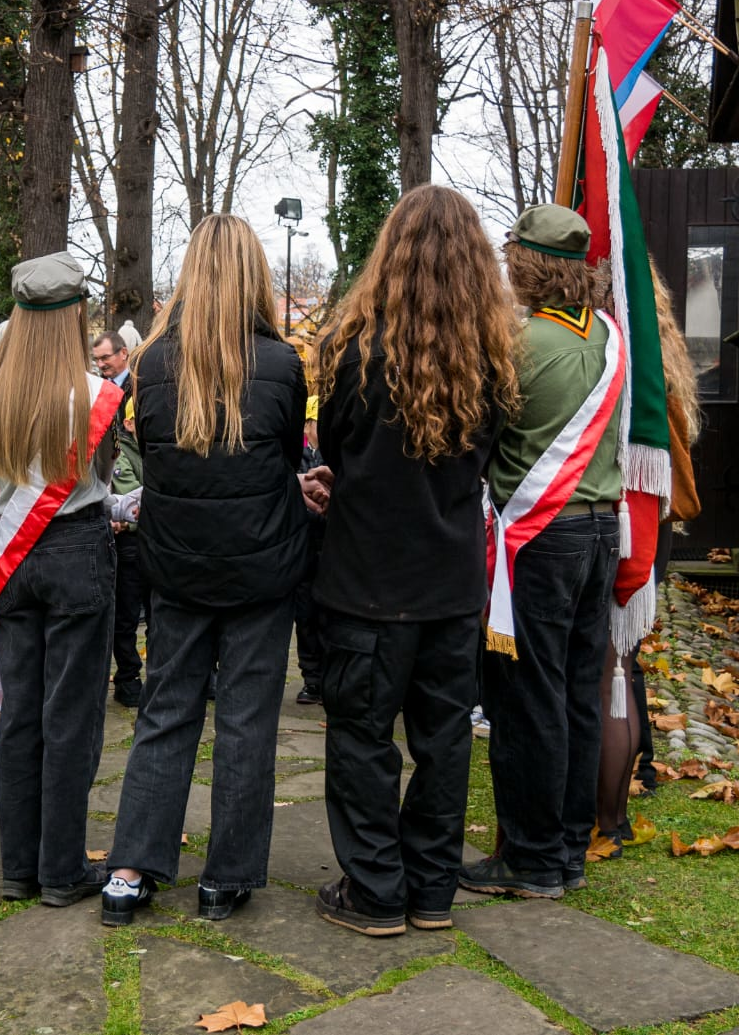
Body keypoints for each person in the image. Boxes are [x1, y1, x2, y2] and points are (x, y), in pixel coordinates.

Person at [311, 185, 522, 936]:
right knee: (443, 742)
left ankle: (375, 890)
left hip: (367, 582)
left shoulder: (349, 350)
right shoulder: (492, 360)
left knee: (362, 739)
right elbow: (490, 458)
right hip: (451, 586)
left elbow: (332, 449)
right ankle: (430, 887)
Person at [101, 215, 312, 927]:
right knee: (248, 721)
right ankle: (226, 877)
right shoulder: (281, 365)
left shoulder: (151, 365)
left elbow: (155, 452)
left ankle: (129, 868)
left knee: (167, 711)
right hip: (260, 567)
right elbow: (285, 458)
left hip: (178, 565)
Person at [463, 204, 623, 900]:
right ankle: (566, 846)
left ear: (526, 263)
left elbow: (483, 439)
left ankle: (528, 858)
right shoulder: (610, 338)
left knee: (529, 697)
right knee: (578, 694)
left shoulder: (520, 346)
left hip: (540, 536)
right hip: (601, 531)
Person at [0, 252, 122, 905]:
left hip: (15, 558)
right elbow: (106, 478)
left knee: (21, 713)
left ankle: (18, 868)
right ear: (76, 315)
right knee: (72, 714)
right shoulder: (100, 392)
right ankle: (62, 870)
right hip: (79, 549)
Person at [602, 258, 703, 823]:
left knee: (615, 655)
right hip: (651, 522)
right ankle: (640, 764)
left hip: (629, 515)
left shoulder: (631, 360)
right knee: (625, 654)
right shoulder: (661, 358)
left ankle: (629, 774)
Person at [109, 397, 146, 708]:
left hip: (156, 542)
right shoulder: (121, 450)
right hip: (131, 546)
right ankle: (128, 678)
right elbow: (130, 505)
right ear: (130, 423)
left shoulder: (154, 446)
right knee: (127, 616)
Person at [292, 395, 325, 706]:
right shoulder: (297, 456)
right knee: (305, 616)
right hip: (303, 547)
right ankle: (311, 678)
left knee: (329, 615)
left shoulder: (334, 455)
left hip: (330, 547)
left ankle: (330, 676)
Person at [92, 330, 132, 404]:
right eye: (96, 359)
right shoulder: (95, 389)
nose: (100, 365)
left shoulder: (139, 386)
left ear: (124, 353)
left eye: (105, 357)